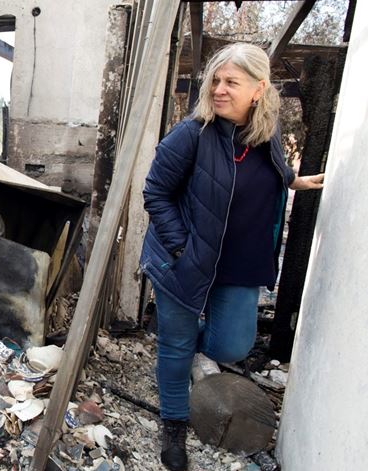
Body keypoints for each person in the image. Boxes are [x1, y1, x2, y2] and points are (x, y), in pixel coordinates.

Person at [139, 43, 324, 471]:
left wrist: (293, 181)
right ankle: (174, 424)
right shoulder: (191, 134)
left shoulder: (267, 132)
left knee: (233, 344)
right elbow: (156, 193)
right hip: (184, 259)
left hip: (240, 260)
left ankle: (178, 343)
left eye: (231, 83)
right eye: (215, 81)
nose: (219, 90)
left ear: (259, 90)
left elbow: (266, 171)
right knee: (177, 344)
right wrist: (182, 246)